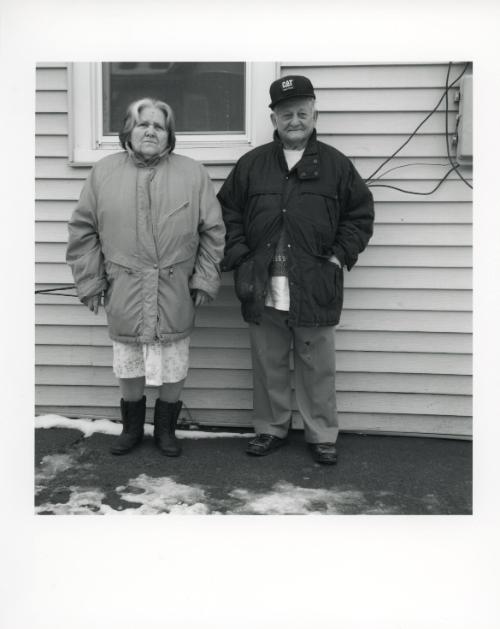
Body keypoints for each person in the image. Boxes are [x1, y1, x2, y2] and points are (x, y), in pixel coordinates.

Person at [218, 75, 374, 465]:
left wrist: (340, 255)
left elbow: (360, 215)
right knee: (267, 363)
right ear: (273, 118)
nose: (294, 120)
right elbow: (226, 215)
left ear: (314, 114)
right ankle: (270, 429)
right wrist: (239, 256)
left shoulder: (336, 165)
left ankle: (321, 434)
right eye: (286, 114)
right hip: (262, 282)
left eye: (302, 113)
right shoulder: (251, 165)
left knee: (317, 365)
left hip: (315, 281)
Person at [66, 98, 225, 457]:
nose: (151, 130)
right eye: (143, 124)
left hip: (175, 287)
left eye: (160, 125)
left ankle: (166, 430)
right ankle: (132, 429)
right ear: (128, 131)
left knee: (174, 361)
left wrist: (204, 279)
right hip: (125, 287)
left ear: (170, 135)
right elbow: (83, 231)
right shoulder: (103, 173)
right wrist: (90, 282)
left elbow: (213, 231)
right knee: (128, 358)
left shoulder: (193, 173)